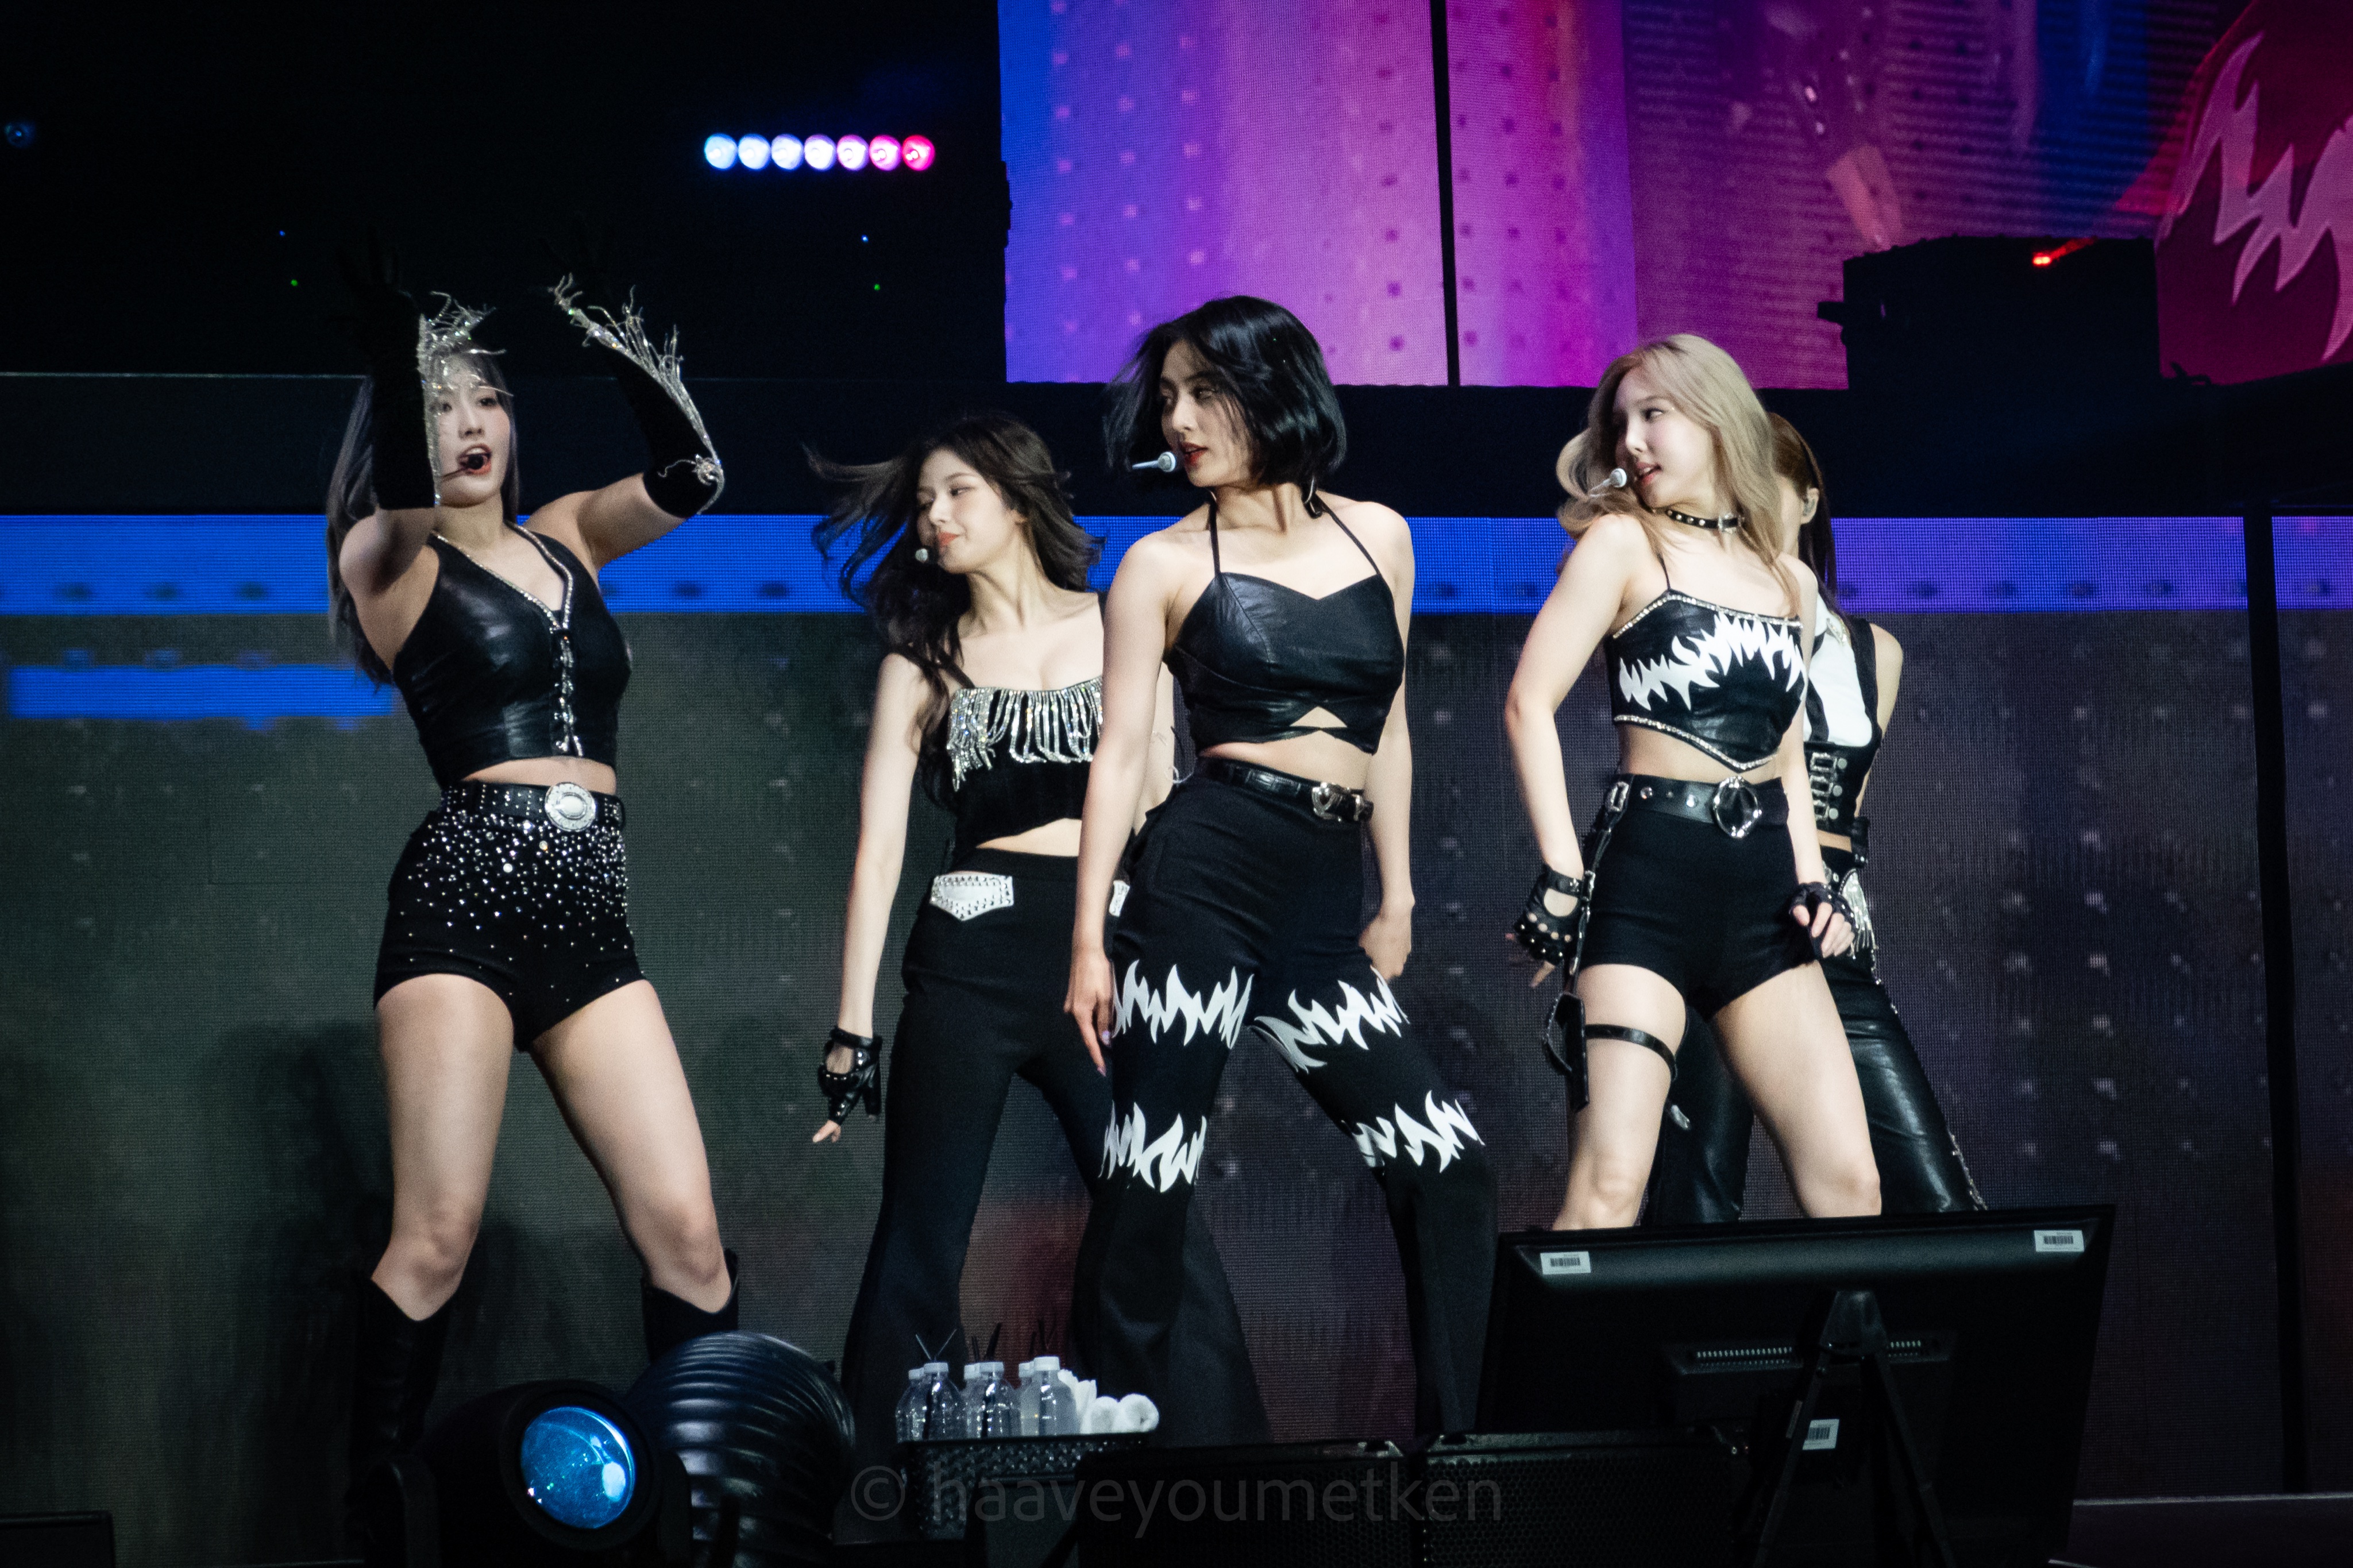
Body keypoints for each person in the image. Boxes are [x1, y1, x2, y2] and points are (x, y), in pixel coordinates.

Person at [326, 242, 734, 1535]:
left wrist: (622, 353)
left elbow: (695, 477)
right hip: (463, 900)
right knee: (436, 1237)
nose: (469, 425)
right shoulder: (384, 554)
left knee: (688, 1239)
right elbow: (403, 486)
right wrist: (395, 358)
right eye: (441, 406)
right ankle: (383, 1527)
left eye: (486, 399)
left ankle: (703, 1521)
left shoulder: (568, 537)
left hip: (588, 910)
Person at [808, 414, 1265, 1499]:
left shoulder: (1123, 623)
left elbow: (1158, 805)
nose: (935, 517)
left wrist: (1170, 958)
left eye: (957, 492)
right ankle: (883, 1502)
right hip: (970, 948)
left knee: (1152, 1209)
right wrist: (852, 1026)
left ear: (1016, 498)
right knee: (922, 1231)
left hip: (1101, 950)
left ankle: (1228, 1485)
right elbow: (878, 852)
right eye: (924, 502)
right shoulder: (922, 661)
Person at [1066, 296, 1497, 1436]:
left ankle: (1460, 1458)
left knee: (1445, 1165)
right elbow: (1120, 754)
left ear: (1273, 390)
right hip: (1202, 880)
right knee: (1150, 1180)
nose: (1178, 420)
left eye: (1203, 392)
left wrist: (1398, 892)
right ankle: (1118, 1466)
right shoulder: (1159, 563)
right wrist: (1087, 941)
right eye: (1167, 398)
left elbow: (1385, 726)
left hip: (1319, 902)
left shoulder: (1378, 534)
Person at [1500, 333, 1881, 1232]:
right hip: (1648, 888)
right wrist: (1562, 873)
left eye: (1655, 414)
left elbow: (1786, 751)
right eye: (1620, 423)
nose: (1631, 441)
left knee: (1851, 1189)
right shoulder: (1621, 545)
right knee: (1609, 1190)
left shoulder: (1789, 580)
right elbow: (1527, 702)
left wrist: (1815, 883)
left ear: (1718, 422)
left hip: (1764, 901)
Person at [1644, 415, 1984, 1222]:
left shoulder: (1874, 653)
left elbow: (1846, 814)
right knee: (1698, 1199)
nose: (1748, 510)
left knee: (1933, 1201)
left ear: (1806, 500)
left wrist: (1841, 909)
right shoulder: (1697, 625)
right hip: (1725, 905)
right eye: (1732, 494)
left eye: (1763, 491)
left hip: (1829, 924)